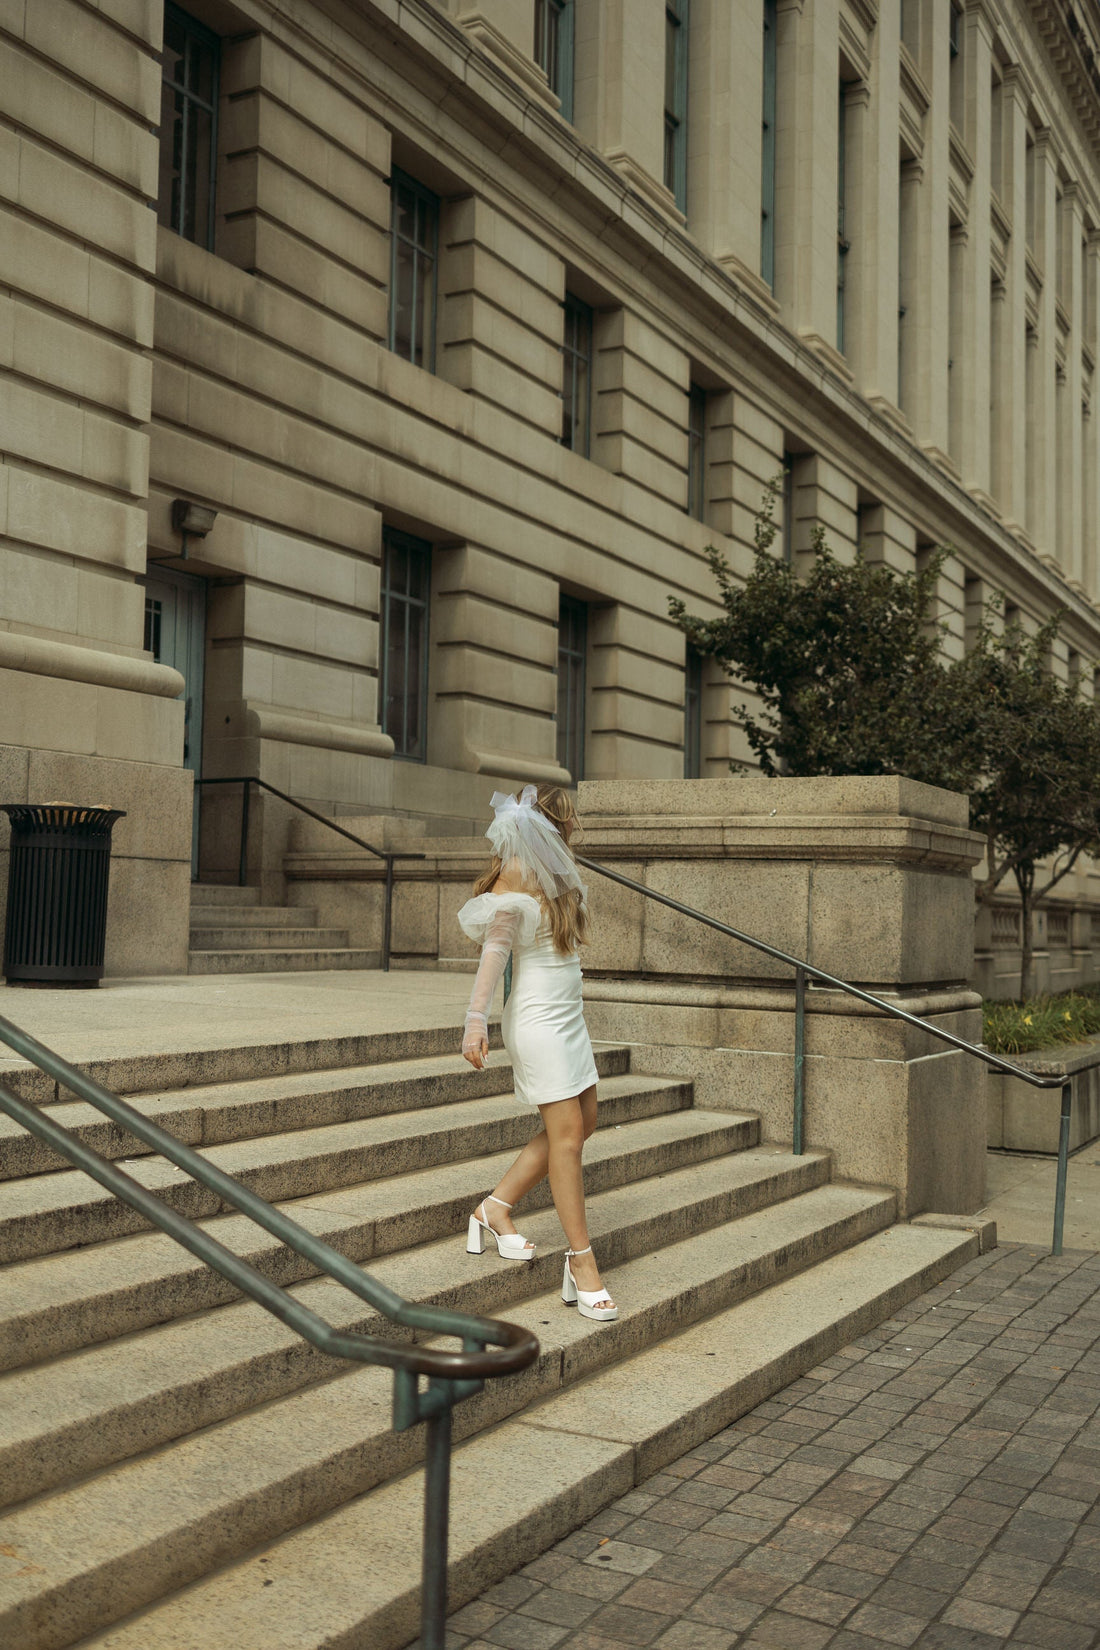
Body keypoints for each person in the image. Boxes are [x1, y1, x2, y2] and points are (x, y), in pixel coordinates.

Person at [457, 784, 617, 1322]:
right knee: (568, 1138)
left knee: (583, 1121)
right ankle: (581, 1262)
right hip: (536, 1020)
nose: (574, 830)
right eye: (570, 821)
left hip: (569, 1019)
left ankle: (494, 1207)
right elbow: (495, 953)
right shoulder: (519, 873)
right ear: (553, 822)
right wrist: (475, 1021)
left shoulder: (560, 873)